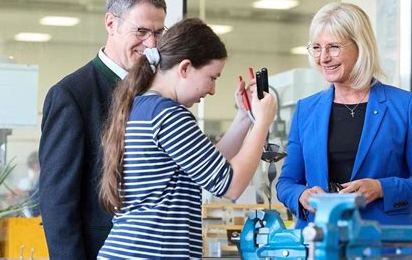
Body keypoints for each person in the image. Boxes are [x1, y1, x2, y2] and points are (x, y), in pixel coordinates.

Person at [97, 18, 277, 259]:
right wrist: (263, 121)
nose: (212, 90)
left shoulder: (142, 108)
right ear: (185, 68)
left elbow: (212, 165)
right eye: (212, 77)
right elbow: (231, 186)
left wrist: (245, 118)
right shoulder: (168, 115)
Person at [276, 2, 412, 258]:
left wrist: (380, 188)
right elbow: (286, 182)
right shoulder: (306, 110)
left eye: (333, 47)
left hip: (383, 245)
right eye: (317, 48)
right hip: (320, 246)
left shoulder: (404, 106)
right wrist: (301, 194)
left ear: (360, 46)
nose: (323, 58)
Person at [38, 0, 167, 259]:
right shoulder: (72, 95)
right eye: (141, 31)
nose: (151, 44)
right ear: (111, 23)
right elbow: (58, 205)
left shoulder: (158, 92)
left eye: (158, 33)